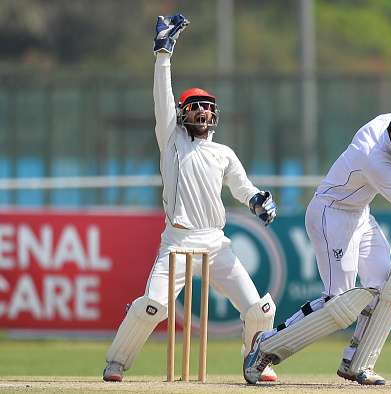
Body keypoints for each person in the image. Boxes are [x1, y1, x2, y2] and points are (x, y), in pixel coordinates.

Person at [102, 14, 279, 382]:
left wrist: (258, 201)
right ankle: (116, 362)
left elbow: (243, 187)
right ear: (183, 114)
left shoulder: (224, 153)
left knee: (259, 308)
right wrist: (163, 55)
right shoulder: (171, 141)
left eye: (208, 106)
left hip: (216, 243)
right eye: (196, 106)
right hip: (178, 241)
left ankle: (255, 361)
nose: (203, 110)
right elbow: (161, 98)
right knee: (152, 306)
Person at [243, 108, 391, 385]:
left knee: (387, 286)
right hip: (331, 214)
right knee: (339, 304)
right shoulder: (375, 158)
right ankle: (266, 345)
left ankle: (357, 362)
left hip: (359, 213)